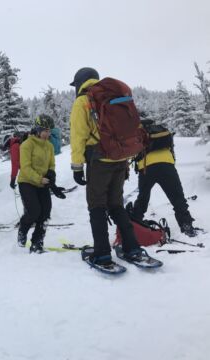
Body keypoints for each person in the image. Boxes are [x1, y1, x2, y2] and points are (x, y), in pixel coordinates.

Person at [69, 67, 149, 266]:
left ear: (80, 82)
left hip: (99, 159)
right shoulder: (114, 95)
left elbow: (78, 136)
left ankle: (102, 253)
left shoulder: (83, 101)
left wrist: (77, 167)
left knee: (96, 206)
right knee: (116, 205)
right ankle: (132, 248)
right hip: (120, 157)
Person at [130, 119, 199, 237]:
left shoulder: (139, 135)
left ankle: (136, 224)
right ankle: (186, 225)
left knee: (143, 197)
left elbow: (134, 153)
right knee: (177, 197)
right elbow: (172, 149)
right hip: (167, 166)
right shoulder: (162, 132)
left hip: (147, 168)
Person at [17, 121, 66, 253]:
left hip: (42, 183)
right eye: (45, 131)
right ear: (38, 131)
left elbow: (51, 164)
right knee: (34, 211)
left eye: (49, 131)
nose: (48, 134)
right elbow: (25, 167)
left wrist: (51, 174)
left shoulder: (49, 146)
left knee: (45, 213)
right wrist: (39, 179)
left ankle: (37, 243)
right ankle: (22, 230)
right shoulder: (27, 144)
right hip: (27, 182)